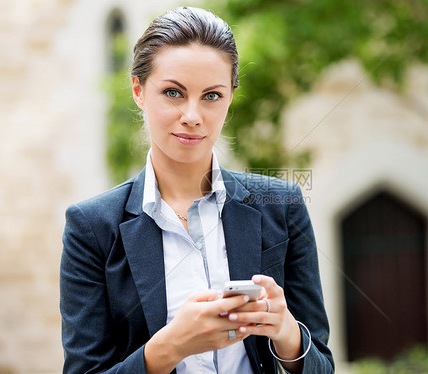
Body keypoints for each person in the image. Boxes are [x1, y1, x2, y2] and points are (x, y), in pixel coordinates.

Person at [60, 6, 334, 374]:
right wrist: (167, 349)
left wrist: (287, 334)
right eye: (173, 92)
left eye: (211, 96)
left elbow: (322, 366)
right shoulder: (91, 227)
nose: (192, 115)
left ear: (230, 99)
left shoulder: (282, 207)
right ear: (139, 91)